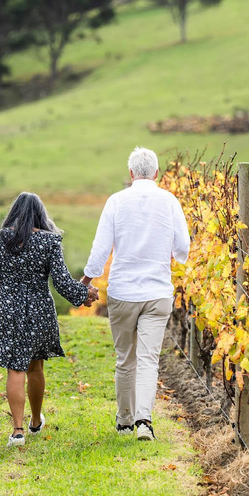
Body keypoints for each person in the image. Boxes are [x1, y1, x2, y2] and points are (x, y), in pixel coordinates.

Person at [82, 147, 190, 441]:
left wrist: (85, 280)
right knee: (148, 359)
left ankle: (124, 420)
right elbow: (183, 249)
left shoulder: (116, 201)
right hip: (157, 292)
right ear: (157, 173)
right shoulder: (169, 201)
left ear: (131, 174)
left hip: (123, 291)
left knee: (124, 358)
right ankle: (144, 422)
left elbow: (101, 249)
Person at [0, 192, 99, 447]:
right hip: (39, 309)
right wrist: (85, 294)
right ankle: (34, 422)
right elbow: (62, 283)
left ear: (13, 213)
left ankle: (17, 431)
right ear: (41, 215)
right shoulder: (49, 242)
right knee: (35, 367)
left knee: (15, 368)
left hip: (8, 308)